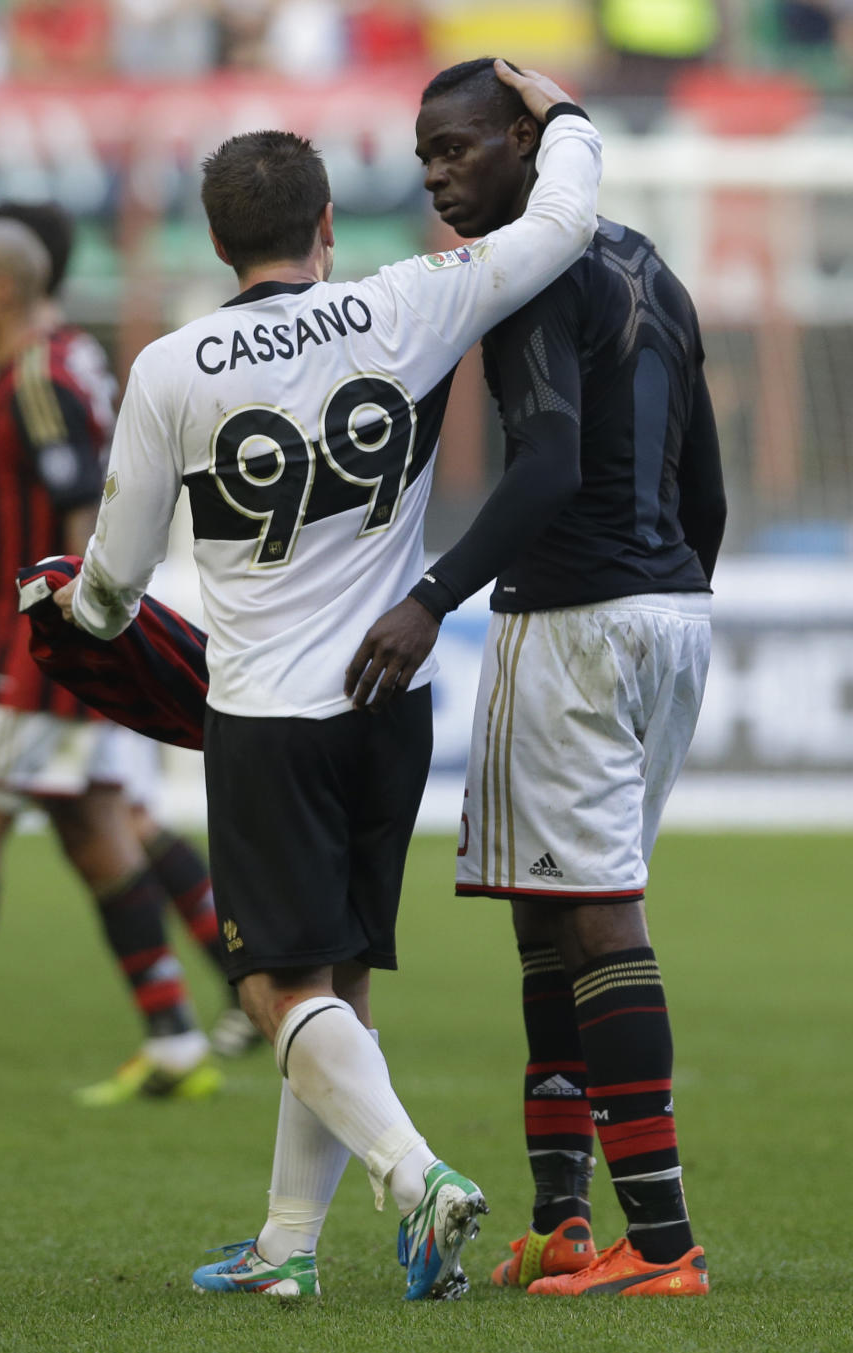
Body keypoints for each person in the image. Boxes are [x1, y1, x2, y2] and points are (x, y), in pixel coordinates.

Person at [51, 63, 603, 1299]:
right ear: (325, 227)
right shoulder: (410, 302)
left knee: (273, 980)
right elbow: (563, 225)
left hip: (266, 712)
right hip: (387, 702)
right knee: (338, 980)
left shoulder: (172, 369)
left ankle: (417, 1177)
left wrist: (73, 607)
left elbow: (116, 585)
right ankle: (288, 1250)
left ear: (214, 236)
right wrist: (562, 117)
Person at [345, 57, 726, 1297]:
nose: (439, 176)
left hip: (577, 617)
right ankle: (564, 1219)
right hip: (666, 609)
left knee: (598, 914)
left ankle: (660, 1245)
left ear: (527, 137)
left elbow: (549, 463)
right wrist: (671, 589)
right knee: (550, 911)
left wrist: (428, 599)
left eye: (458, 148)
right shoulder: (646, 262)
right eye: (424, 159)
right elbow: (704, 476)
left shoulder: (528, 277)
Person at [0, 218, 221, 1107]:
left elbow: (82, 512)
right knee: (101, 838)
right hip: (56, 654)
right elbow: (7, 515)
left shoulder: (37, 381)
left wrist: (83, 640)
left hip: (36, 659)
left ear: (1, 291)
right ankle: (179, 1031)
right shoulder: (57, 364)